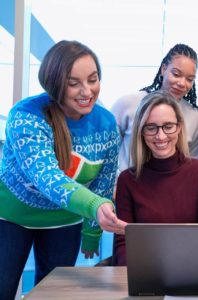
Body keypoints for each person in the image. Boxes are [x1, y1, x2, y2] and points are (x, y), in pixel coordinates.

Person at [0, 40, 127, 299]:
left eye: (93, 80)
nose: (87, 91)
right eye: (74, 83)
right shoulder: (26, 116)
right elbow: (47, 177)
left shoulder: (105, 122)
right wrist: (95, 207)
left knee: (53, 294)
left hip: (64, 221)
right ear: (54, 83)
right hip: (11, 218)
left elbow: (103, 182)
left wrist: (92, 231)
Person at [113, 91, 198, 266]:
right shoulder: (127, 180)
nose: (160, 136)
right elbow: (123, 243)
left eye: (168, 126)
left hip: (193, 270)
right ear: (141, 131)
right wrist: (134, 277)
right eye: (151, 127)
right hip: (144, 270)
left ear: (178, 127)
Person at [111, 43, 198, 173]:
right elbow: (108, 151)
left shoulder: (195, 117)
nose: (182, 83)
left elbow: (190, 163)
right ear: (163, 69)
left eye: (190, 79)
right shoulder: (127, 104)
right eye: (176, 74)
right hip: (128, 185)